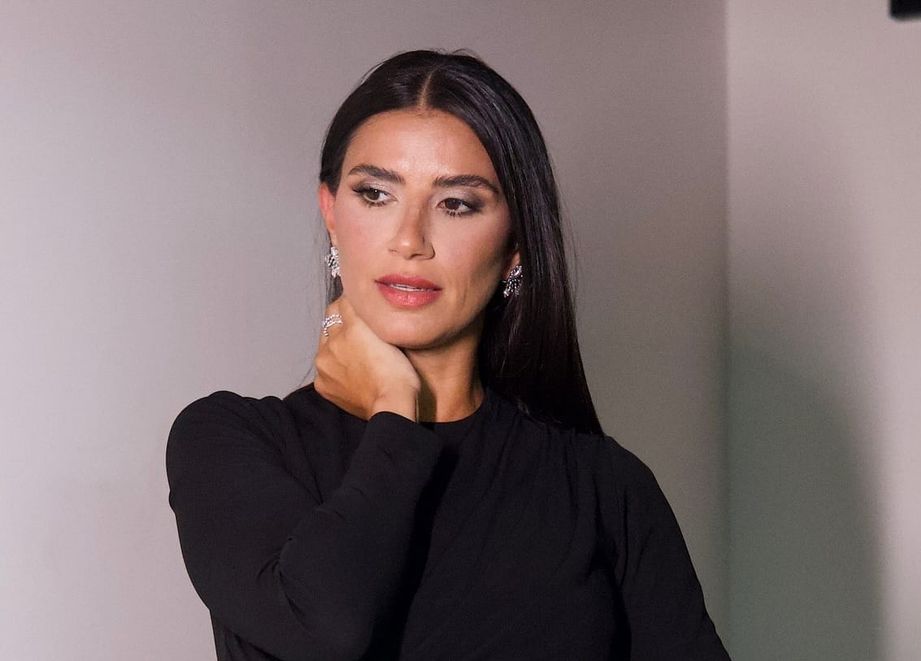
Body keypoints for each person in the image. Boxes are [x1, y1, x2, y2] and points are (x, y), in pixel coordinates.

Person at [166, 49, 730, 661]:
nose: (410, 240)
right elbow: (323, 629)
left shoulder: (603, 488)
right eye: (376, 194)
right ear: (330, 212)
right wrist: (394, 410)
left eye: (456, 204)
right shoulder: (230, 440)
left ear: (515, 245)